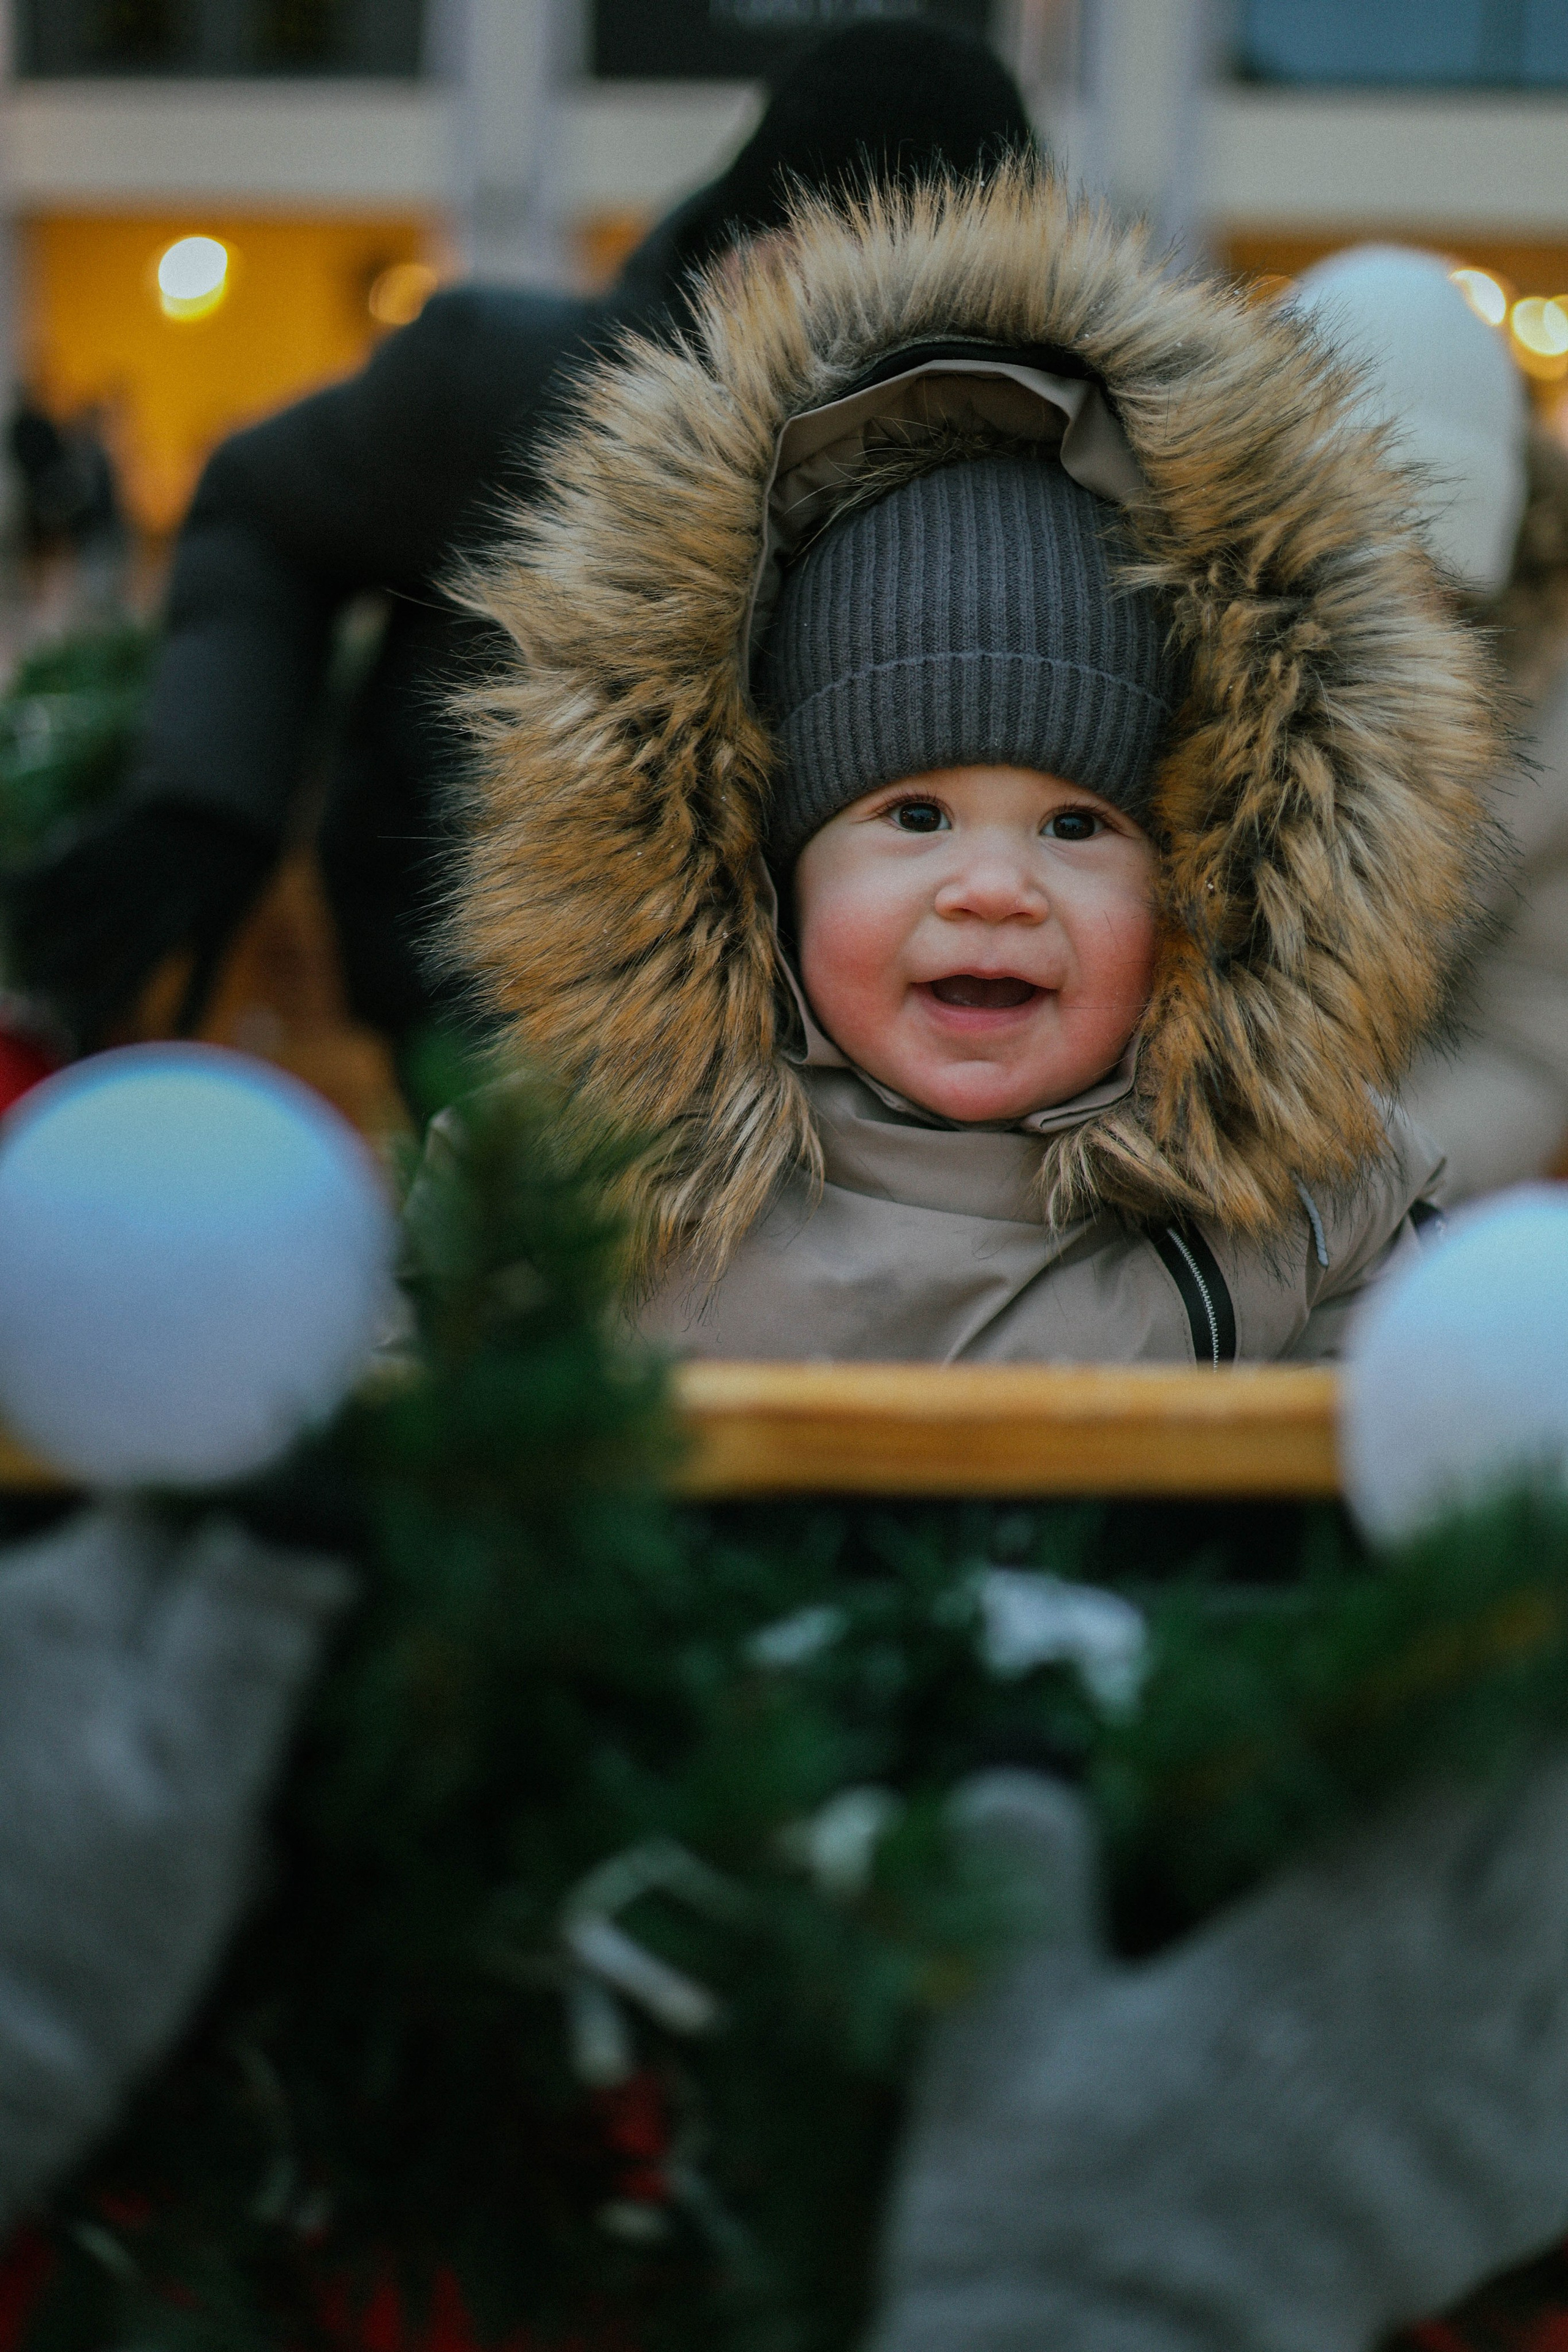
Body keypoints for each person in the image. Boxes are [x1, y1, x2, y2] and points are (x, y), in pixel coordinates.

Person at [449, 166, 1496, 1366]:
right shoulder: (585, 1184)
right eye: (913, 815)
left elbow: (1437, 1484)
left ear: (1208, 892)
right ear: (762, 872)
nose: (991, 888)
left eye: (1075, 828)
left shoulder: (1308, 1209)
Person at [2, 24, 1035, 1058]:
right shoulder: (514, 392)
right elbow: (263, 506)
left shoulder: (1049, 481)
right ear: (747, 257)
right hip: (476, 1012)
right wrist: (210, 799)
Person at [1294, 244, 1568, 1202]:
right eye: (1355, 574)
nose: (1398, 623)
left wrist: (1348, 1202)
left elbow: (1528, 1040)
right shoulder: (1146, 655)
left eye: (1438, 589)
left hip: (1391, 1201)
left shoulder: (1549, 731)